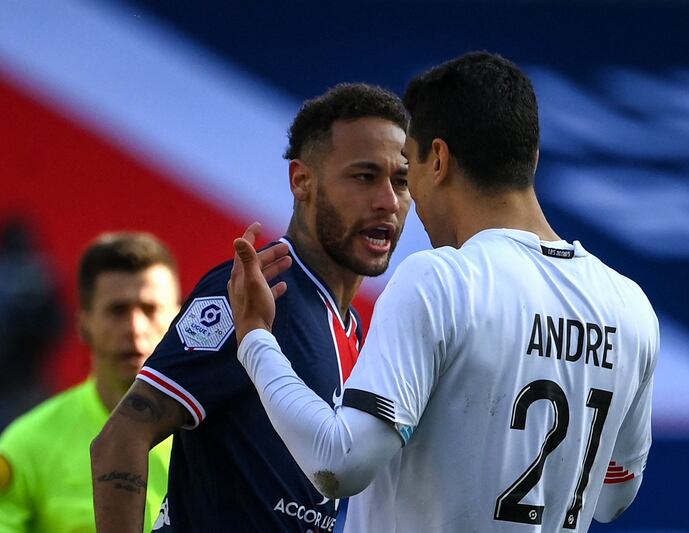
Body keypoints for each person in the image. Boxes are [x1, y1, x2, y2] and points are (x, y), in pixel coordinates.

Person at [230, 51, 660, 533]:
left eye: (406, 167)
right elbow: (614, 495)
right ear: (531, 158)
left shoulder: (443, 280)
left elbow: (339, 463)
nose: (402, 197)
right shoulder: (630, 306)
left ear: (438, 159)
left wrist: (255, 340)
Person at [90, 83, 412, 533]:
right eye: (364, 177)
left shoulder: (356, 329)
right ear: (302, 181)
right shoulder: (252, 291)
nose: (388, 201)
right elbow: (120, 437)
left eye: (401, 180)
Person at [0, 232, 180, 533]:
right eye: (117, 310)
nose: (135, 329)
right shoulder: (27, 446)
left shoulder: (217, 440)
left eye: (150, 310)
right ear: (83, 325)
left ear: (178, 319)